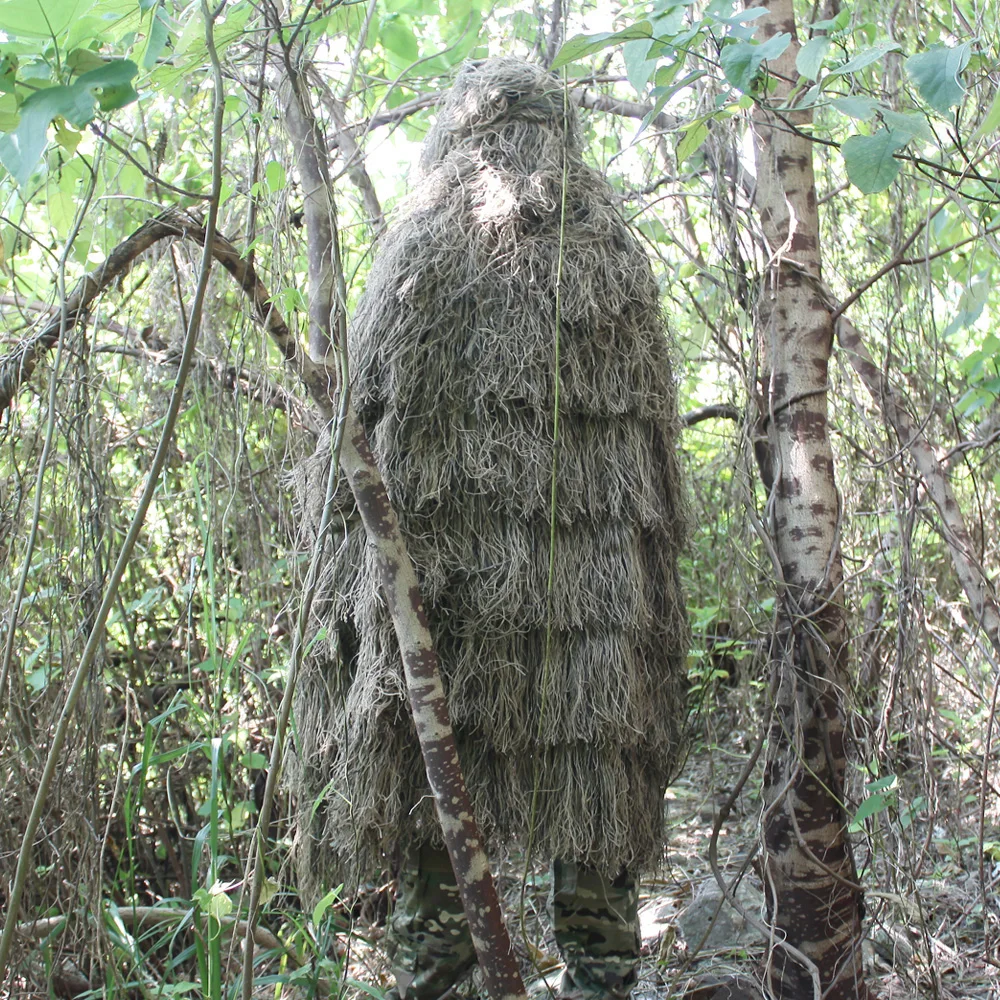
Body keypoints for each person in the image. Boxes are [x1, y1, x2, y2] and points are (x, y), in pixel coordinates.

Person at [291, 56, 689, 1000]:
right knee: (594, 808)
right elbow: (657, 475)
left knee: (438, 802)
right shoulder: (611, 250)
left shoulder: (419, 243)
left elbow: (356, 441)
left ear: (457, 129)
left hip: (446, 607)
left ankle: (438, 976)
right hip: (593, 619)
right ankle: (600, 977)